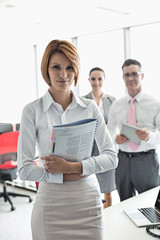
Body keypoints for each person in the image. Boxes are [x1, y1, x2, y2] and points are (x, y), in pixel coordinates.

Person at [17, 39, 118, 240]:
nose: (63, 74)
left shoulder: (90, 108)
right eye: (56, 67)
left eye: (69, 67)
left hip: (87, 202)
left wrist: (74, 167)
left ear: (76, 71)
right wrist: (60, 175)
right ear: (46, 69)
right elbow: (24, 168)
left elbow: (111, 157)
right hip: (51, 205)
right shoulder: (32, 110)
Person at [107, 58, 160, 202]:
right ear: (123, 78)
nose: (131, 78)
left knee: (150, 204)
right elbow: (110, 130)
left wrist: (149, 136)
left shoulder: (154, 103)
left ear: (142, 76)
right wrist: (115, 138)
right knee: (124, 204)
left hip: (146, 161)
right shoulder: (117, 105)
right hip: (122, 161)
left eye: (134, 74)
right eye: (127, 75)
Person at [83, 67, 116, 208]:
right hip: (89, 149)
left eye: (99, 79)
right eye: (93, 79)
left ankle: (107, 216)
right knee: (91, 189)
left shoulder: (112, 100)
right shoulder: (83, 101)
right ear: (89, 80)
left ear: (104, 80)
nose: (96, 82)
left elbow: (115, 124)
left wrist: (105, 128)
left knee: (108, 191)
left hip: (106, 148)